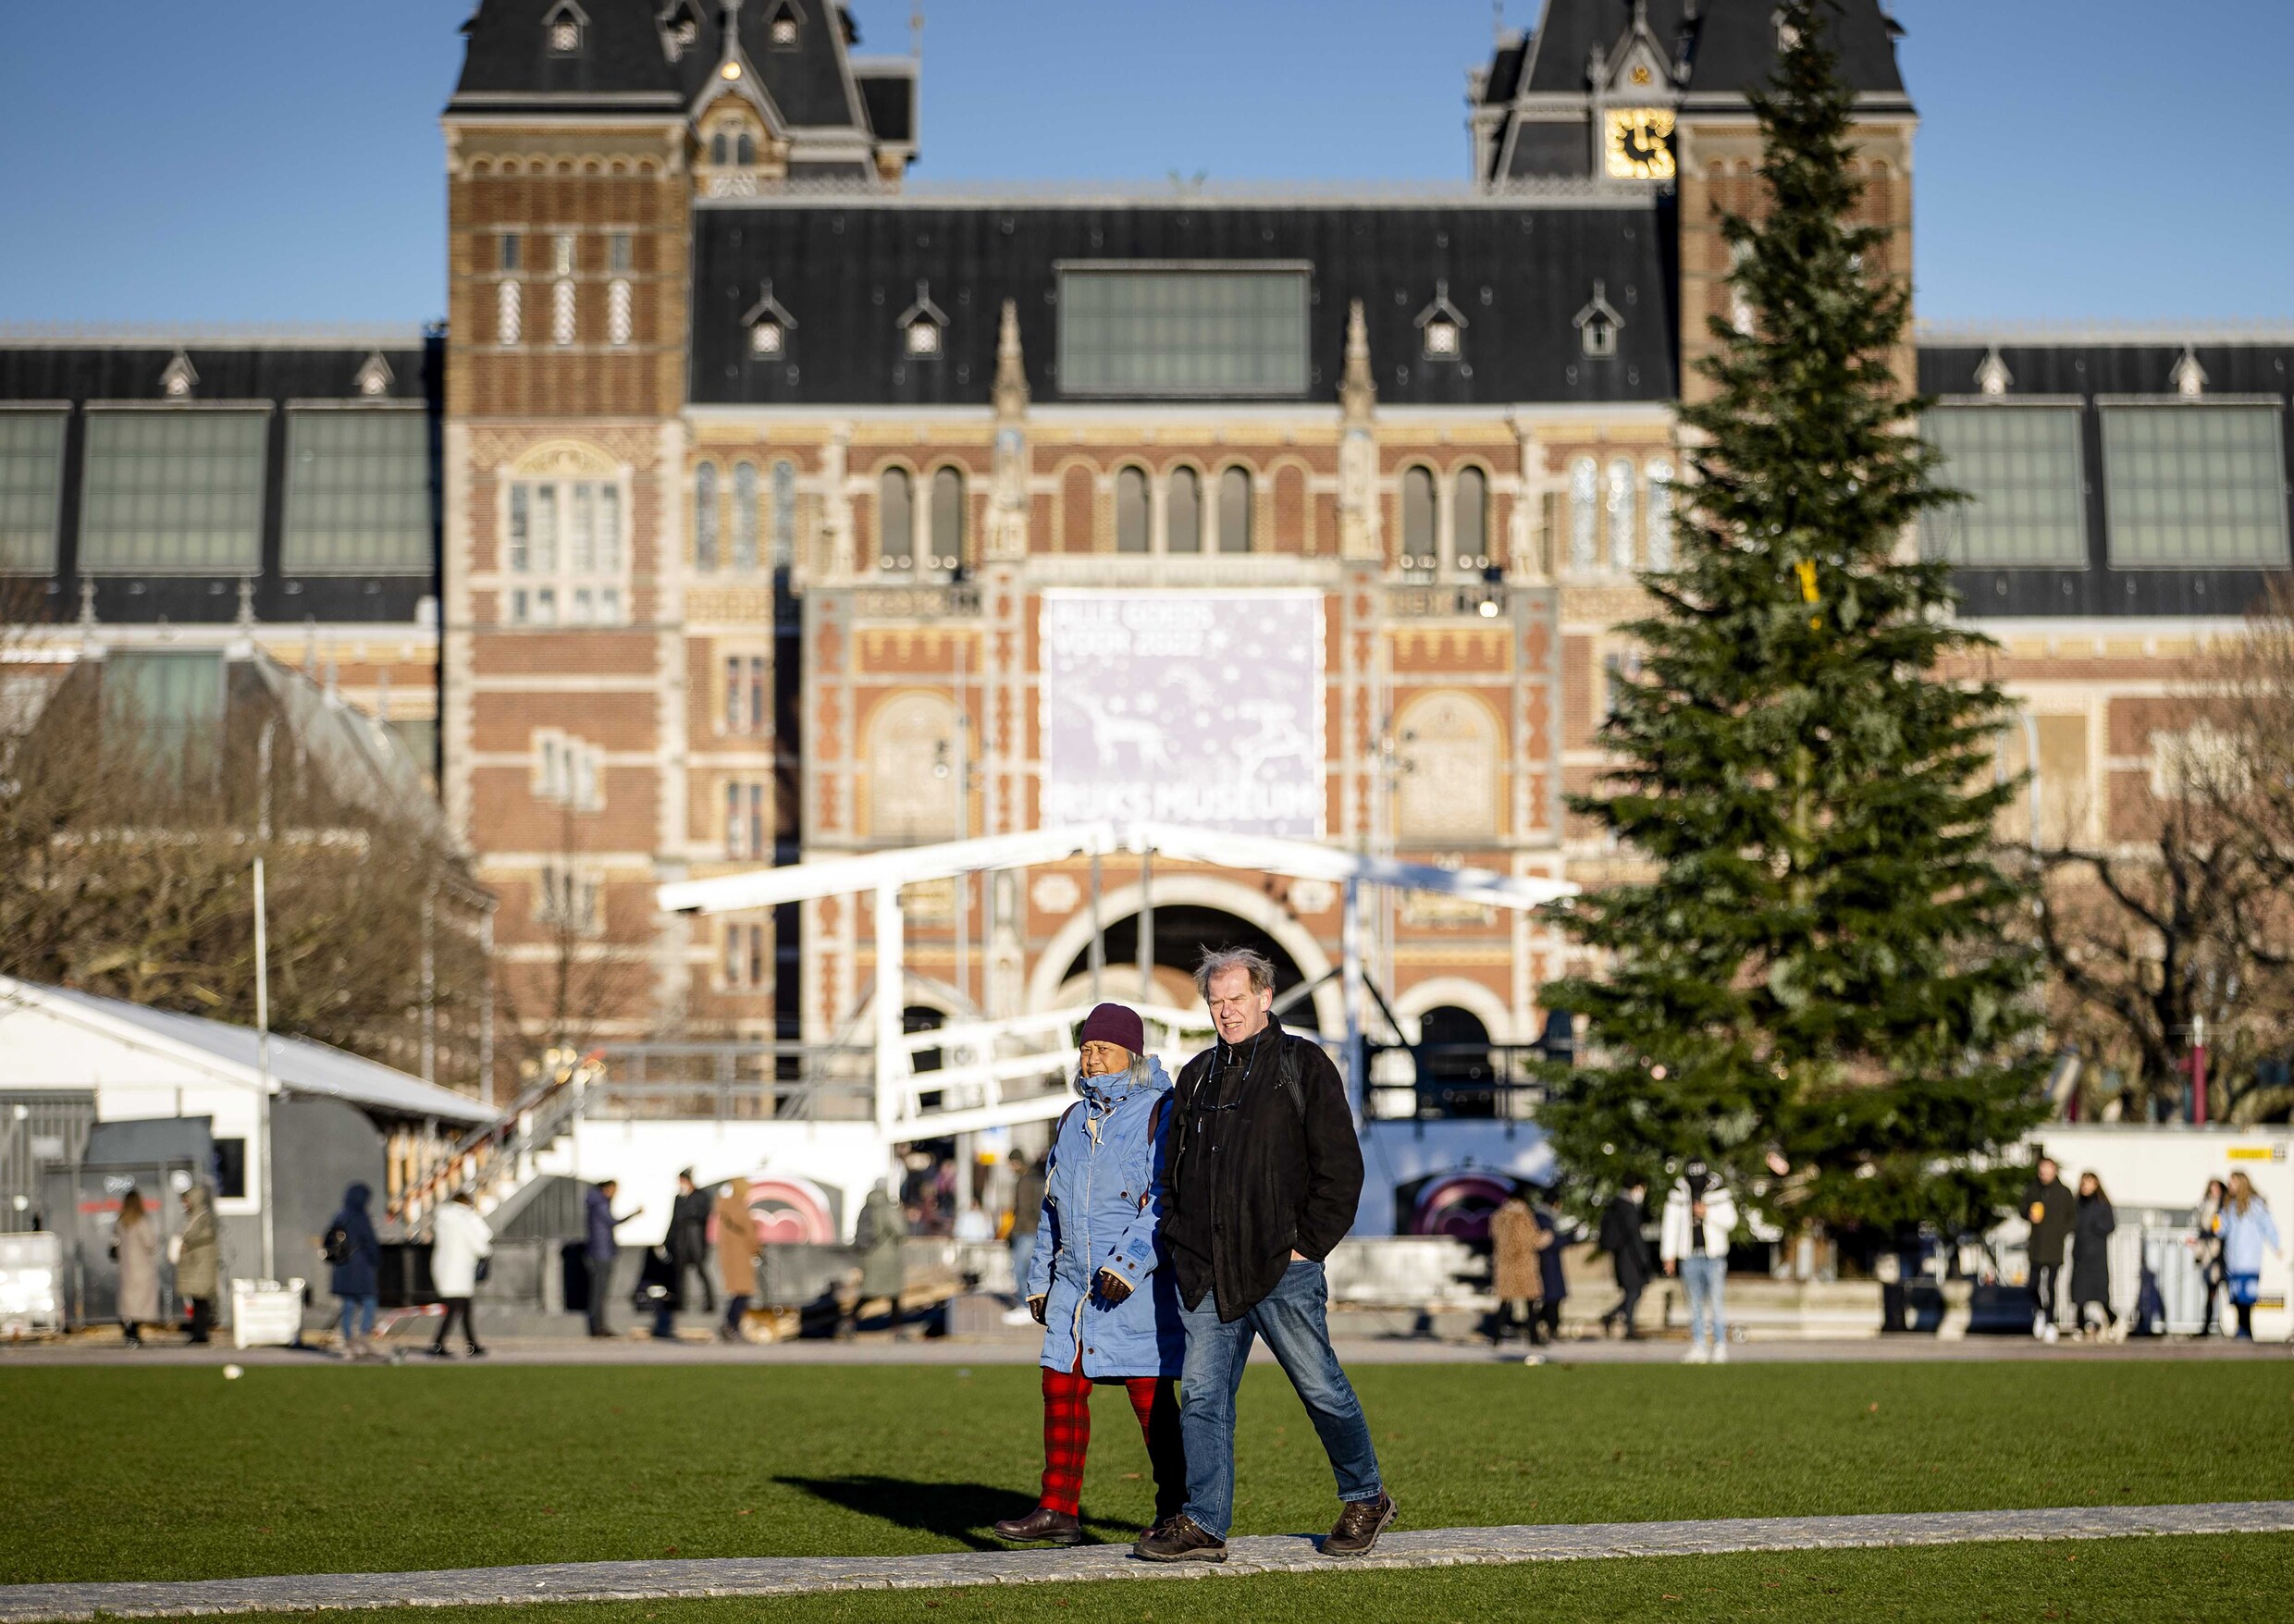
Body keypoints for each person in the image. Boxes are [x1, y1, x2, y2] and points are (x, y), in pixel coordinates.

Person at [1135, 948, 1394, 1566]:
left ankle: (1366, 1498)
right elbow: (1169, 1172)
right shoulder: (1196, 1075)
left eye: (1236, 999)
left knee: (1320, 1388)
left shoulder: (1303, 1066)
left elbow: (1341, 1169)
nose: (1226, 1012)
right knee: (1202, 1397)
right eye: (1216, 1002)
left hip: (1283, 1267)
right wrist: (1177, 1232)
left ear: (1265, 997)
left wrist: (1307, 1247)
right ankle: (1202, 1522)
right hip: (1204, 1268)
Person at [992, 1003, 1187, 1547]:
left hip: (1137, 1289)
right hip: (1074, 1289)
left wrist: (1127, 1265)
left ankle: (1176, 1510)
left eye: (1104, 1048)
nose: (1093, 1058)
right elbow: (1052, 1208)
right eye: (1086, 1048)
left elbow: (1164, 1201)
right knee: (1061, 1387)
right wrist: (1039, 1280)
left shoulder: (1160, 1111)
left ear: (1133, 1054)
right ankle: (1058, 1509)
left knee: (1151, 1403)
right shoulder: (1073, 1120)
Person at [1661, 1162, 1737, 1363]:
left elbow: (1731, 1221)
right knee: (1694, 1304)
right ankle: (1699, 1345)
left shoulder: (1719, 1191)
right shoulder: (1678, 1193)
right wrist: (1668, 1255)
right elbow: (1670, 1226)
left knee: (1716, 1301)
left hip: (1714, 1256)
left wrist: (1707, 1213)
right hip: (1689, 1255)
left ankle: (1720, 1344)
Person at [427, 1191, 493, 1358]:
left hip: (445, 1267)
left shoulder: (444, 1218)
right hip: (459, 1269)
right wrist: (486, 1251)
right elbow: (480, 1242)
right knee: (455, 1308)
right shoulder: (463, 1218)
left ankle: (471, 1344)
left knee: (463, 1308)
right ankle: (439, 1344)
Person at [2219, 1171, 2282, 1341]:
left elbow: (2268, 1226)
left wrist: (2276, 1245)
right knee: (2236, 1296)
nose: (2230, 1186)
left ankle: (2247, 1329)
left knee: (2247, 1296)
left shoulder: (2256, 1205)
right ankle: (2242, 1328)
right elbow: (2221, 1229)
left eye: (2233, 1183)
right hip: (2233, 1261)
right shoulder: (2229, 1206)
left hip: (2249, 1261)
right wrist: (2216, 1222)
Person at [2020, 1157, 2076, 1344]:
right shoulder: (2033, 1190)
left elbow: (2073, 1218)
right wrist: (2028, 1213)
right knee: (2032, 1285)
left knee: (2051, 1286)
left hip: (2054, 1246)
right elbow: (2021, 1209)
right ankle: (2041, 1311)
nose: (2043, 1173)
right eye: (2041, 1170)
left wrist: (2061, 1232)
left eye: (2047, 1169)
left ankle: (2051, 1322)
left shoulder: (2064, 1192)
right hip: (2036, 1245)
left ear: (2054, 1171)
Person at [327, 1182, 383, 1359]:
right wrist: (377, 1261)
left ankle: (348, 1341)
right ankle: (363, 1338)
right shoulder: (361, 1217)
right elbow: (370, 1243)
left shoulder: (340, 1216)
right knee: (369, 1301)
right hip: (361, 1266)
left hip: (342, 1267)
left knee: (348, 1304)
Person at [1488, 1189, 1546, 1359]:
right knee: (1530, 1301)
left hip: (1504, 1264)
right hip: (1523, 1263)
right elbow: (1531, 1239)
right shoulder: (1524, 1216)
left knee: (1504, 1302)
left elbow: (1494, 1237)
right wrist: (1545, 1238)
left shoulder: (1498, 1217)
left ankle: (1497, 1336)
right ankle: (1533, 1336)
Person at [848, 1179, 908, 1338]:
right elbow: (900, 1230)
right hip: (886, 1257)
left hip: (870, 1256)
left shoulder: (867, 1206)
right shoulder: (886, 1207)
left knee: (870, 1292)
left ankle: (848, 1322)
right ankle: (897, 1330)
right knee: (893, 1294)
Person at [583, 1177, 641, 1338]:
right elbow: (613, 1221)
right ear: (607, 1189)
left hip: (600, 1252)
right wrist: (634, 1214)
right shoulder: (601, 1204)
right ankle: (598, 1327)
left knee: (599, 1292)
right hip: (601, 1253)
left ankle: (599, 1326)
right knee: (599, 1292)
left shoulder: (595, 1203)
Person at [1597, 1176, 1651, 1338]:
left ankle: (1611, 1317)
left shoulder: (1617, 1205)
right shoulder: (1627, 1208)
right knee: (1633, 1291)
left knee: (1633, 1292)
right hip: (1629, 1258)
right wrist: (1644, 1260)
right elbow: (1634, 1237)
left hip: (1622, 1256)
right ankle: (1628, 1327)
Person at [2069, 1171, 2116, 1339]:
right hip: (2080, 1255)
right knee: (2079, 1294)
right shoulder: (2077, 1204)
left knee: (2101, 1294)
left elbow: (2110, 1226)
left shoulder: (2102, 1205)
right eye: (2083, 1183)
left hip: (2097, 1256)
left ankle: (2113, 1320)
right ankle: (2079, 1325)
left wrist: (2097, 1225)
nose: (2085, 1186)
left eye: (2088, 1183)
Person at [1004, 1149, 1046, 1326]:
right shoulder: (1030, 1178)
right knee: (1024, 1267)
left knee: (1021, 1268)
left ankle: (1026, 1304)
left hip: (1028, 1230)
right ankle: (1027, 1302)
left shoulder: (1029, 1181)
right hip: (1024, 1229)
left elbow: (1028, 1208)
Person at [114, 1188, 159, 1347]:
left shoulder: (121, 1222)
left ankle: (129, 1331)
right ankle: (134, 1332)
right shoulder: (141, 1221)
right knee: (141, 1304)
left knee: (129, 1303)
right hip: (142, 1268)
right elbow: (150, 1243)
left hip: (127, 1269)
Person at [715, 1180, 759, 1343]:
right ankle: (731, 1325)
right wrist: (757, 1249)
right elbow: (749, 1231)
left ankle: (730, 1325)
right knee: (743, 1292)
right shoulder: (738, 1207)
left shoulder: (725, 1206)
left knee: (739, 1292)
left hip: (731, 1256)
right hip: (741, 1255)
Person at [175, 1183, 220, 1344]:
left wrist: (188, 1242)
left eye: (186, 1200)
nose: (184, 1204)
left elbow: (205, 1235)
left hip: (201, 1266)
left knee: (202, 1300)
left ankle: (201, 1333)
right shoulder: (193, 1217)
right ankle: (198, 1331)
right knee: (196, 1300)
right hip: (194, 1266)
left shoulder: (204, 1217)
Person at [670, 1169, 717, 1315]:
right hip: (681, 1238)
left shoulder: (700, 1196)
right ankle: (680, 1303)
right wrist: (667, 1239)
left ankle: (710, 1302)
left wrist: (688, 1214)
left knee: (701, 1270)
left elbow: (704, 1214)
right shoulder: (679, 1198)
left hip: (695, 1237)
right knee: (679, 1272)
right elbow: (673, 1220)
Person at [2190, 1177, 2228, 1337]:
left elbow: (2219, 1230)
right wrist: (2198, 1253)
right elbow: (2202, 1230)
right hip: (2208, 1254)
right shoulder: (2205, 1205)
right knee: (2210, 1291)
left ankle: (2229, 1324)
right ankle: (2206, 1325)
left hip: (2219, 1254)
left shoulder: (2224, 1207)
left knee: (2224, 1290)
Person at [1532, 1193, 1570, 1348]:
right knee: (1551, 1298)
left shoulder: (1544, 1217)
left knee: (1552, 1299)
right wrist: (1570, 1237)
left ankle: (1547, 1325)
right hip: (1547, 1264)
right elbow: (1550, 1241)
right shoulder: (1543, 1218)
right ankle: (1548, 1326)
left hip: (1550, 1264)